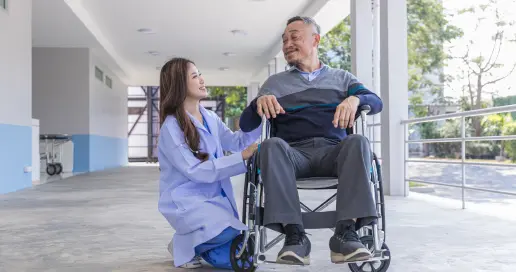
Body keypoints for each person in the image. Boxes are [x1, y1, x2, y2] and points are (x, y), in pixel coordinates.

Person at [239, 16, 383, 265]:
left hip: (334, 153)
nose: (287, 44)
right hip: (292, 156)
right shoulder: (274, 84)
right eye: (284, 40)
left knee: (358, 141)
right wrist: (257, 104)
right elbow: (246, 124)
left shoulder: (342, 78)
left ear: (315, 39)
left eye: (294, 37)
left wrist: (356, 99)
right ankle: (295, 237)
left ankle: (345, 233)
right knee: (270, 145)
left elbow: (376, 102)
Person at [157, 57, 262, 269]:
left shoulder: (210, 117)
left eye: (200, 74)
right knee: (229, 234)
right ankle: (183, 244)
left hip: (214, 199)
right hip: (187, 201)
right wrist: (242, 157)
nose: (202, 79)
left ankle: (196, 244)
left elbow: (236, 141)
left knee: (240, 253)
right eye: (195, 76)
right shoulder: (171, 127)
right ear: (179, 84)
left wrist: (259, 118)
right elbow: (197, 171)